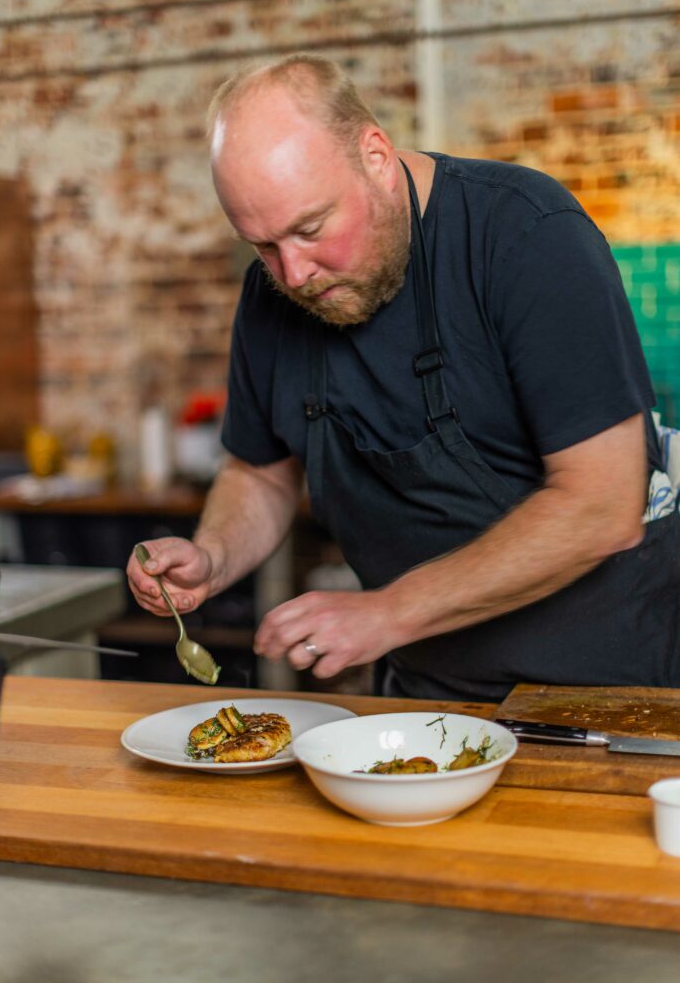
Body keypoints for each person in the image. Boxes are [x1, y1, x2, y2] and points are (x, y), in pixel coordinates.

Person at [127, 54, 680, 702]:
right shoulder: (272, 292)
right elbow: (259, 471)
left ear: (376, 156)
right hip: (427, 695)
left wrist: (388, 613)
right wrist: (213, 554)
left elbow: (599, 507)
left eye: (310, 229)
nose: (294, 273)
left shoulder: (525, 234)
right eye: (263, 246)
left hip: (604, 695)